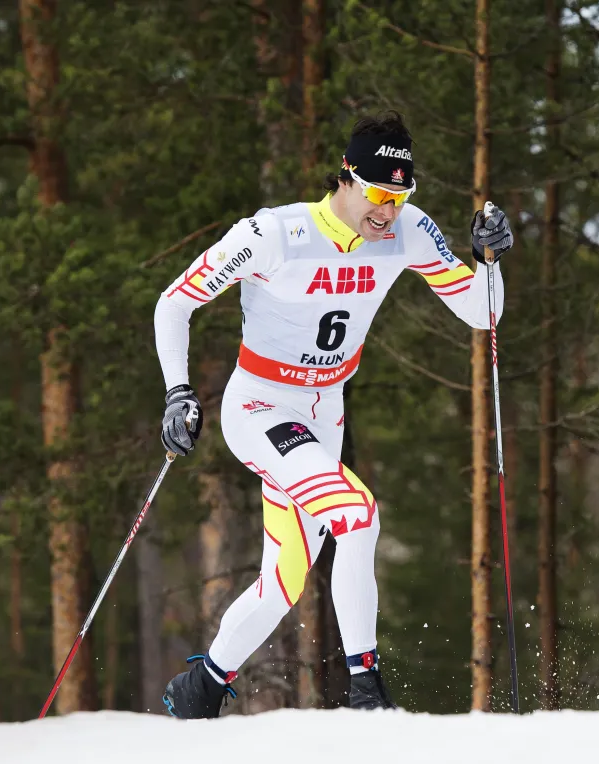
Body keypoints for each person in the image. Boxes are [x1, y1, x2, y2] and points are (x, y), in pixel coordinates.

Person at [154, 111, 514, 717]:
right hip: (262, 406)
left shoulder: (409, 233)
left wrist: (490, 258)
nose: (387, 212)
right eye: (377, 194)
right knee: (357, 513)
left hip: (325, 414)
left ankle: (201, 690)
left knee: (284, 582)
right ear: (345, 177)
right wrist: (176, 392)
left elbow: (484, 313)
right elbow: (174, 304)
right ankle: (367, 692)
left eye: (400, 197)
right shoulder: (274, 235)